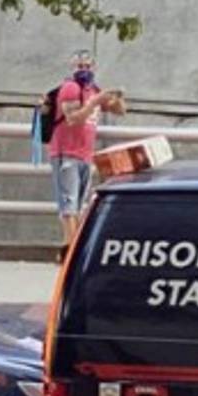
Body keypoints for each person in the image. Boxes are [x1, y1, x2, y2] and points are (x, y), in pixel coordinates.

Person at [49, 49, 126, 257]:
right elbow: (73, 119)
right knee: (69, 204)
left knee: (81, 204)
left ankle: (73, 249)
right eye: (80, 67)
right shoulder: (70, 88)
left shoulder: (93, 90)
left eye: (88, 66)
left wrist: (116, 98)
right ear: (72, 68)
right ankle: (69, 250)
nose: (84, 70)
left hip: (85, 154)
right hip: (66, 153)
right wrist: (94, 103)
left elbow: (120, 111)